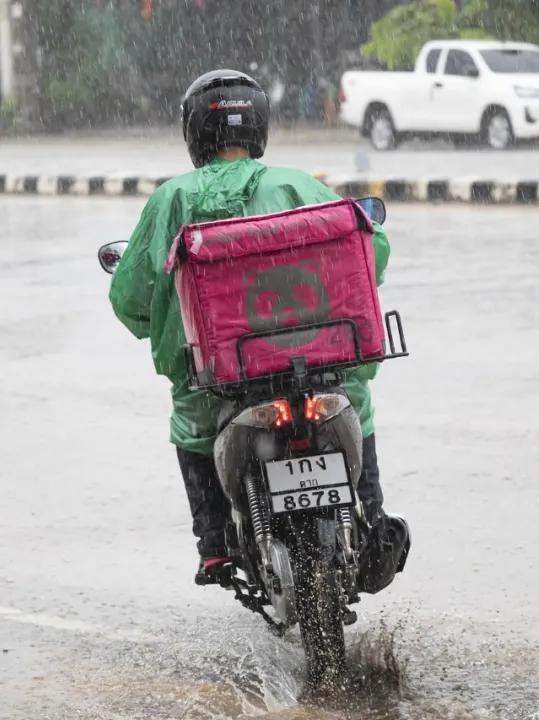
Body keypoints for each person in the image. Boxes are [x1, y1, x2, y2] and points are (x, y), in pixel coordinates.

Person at [109, 69, 409, 587]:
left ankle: (216, 547)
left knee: (191, 421)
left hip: (226, 377)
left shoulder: (173, 200)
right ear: (258, 127)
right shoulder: (298, 185)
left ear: (195, 133)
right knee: (353, 399)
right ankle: (373, 515)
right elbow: (371, 252)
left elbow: (132, 297)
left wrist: (157, 324)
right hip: (319, 361)